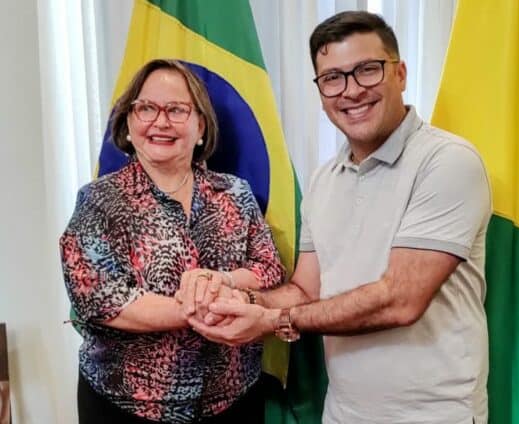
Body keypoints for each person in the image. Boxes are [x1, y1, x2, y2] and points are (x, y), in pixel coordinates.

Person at [183, 11, 492, 424]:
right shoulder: (324, 179)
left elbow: (401, 300)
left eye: (367, 70)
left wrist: (274, 319)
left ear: (400, 73)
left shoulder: (448, 162)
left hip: (434, 414)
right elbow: (305, 291)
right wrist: (241, 299)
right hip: (342, 412)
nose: (351, 90)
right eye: (333, 78)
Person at [60, 59, 285, 424]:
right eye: (146, 108)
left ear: (201, 126)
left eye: (177, 110)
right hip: (127, 406)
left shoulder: (235, 193)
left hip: (233, 400)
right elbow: (100, 297)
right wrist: (206, 306)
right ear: (129, 123)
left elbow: (270, 268)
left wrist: (223, 280)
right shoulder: (99, 201)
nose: (160, 122)